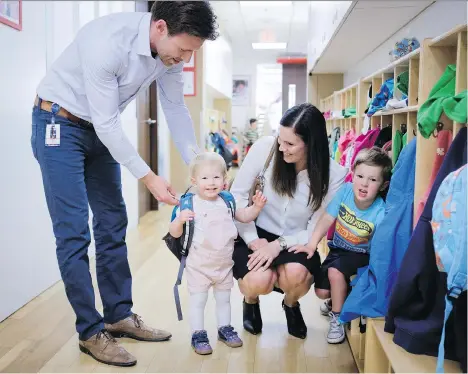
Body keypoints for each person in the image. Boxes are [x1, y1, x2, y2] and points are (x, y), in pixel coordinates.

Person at [30, 1, 218, 367]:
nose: (185, 60)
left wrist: (198, 166)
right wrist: (148, 176)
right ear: (160, 28)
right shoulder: (106, 42)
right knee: (73, 233)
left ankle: (118, 315)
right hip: (58, 123)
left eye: (193, 53)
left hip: (99, 129)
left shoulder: (169, 56)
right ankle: (89, 331)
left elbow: (176, 108)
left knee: (113, 223)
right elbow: (106, 122)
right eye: (183, 50)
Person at [230, 103, 348, 339]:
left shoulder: (334, 175)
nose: (282, 148)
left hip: (297, 238)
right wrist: (253, 240)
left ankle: (291, 304)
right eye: (280, 139)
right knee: (259, 279)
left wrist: (279, 245)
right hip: (254, 230)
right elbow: (238, 195)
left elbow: (317, 225)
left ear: (311, 144)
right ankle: (250, 300)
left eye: (290, 144)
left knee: (295, 275)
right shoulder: (265, 148)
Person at [168, 153, 267, 355]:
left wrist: (256, 207)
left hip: (223, 265)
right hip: (198, 266)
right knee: (198, 301)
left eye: (216, 177)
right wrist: (179, 221)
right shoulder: (189, 204)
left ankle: (225, 328)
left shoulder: (227, 201)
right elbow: (174, 233)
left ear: (225, 180)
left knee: (223, 300)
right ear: (194, 181)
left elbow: (244, 217)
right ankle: (198, 333)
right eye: (205, 178)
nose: (211, 183)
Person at [298, 147, 391, 344]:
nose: (364, 183)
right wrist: (312, 244)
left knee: (334, 273)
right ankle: (339, 298)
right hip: (338, 250)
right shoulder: (346, 191)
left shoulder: (380, 211)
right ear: (353, 175)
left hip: (361, 255)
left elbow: (380, 246)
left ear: (383, 185)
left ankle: (338, 319)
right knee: (321, 292)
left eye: (373, 180)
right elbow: (327, 218)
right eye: (360, 176)